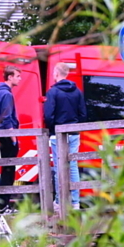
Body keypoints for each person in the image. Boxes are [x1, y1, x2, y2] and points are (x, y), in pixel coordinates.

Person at [44, 63, 87, 209]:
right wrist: (74, 126)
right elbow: (83, 114)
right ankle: (75, 202)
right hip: (74, 133)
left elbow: (48, 115)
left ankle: (59, 201)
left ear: (56, 73)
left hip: (57, 134)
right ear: (67, 73)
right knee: (73, 166)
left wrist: (52, 128)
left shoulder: (53, 92)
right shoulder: (77, 92)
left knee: (59, 166)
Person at [0, 66, 22, 212]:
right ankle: (4, 205)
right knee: (9, 170)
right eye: (17, 76)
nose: (19, 79)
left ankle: (3, 205)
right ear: (10, 77)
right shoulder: (7, 95)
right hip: (7, 135)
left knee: (4, 169)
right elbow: (7, 119)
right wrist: (14, 138)